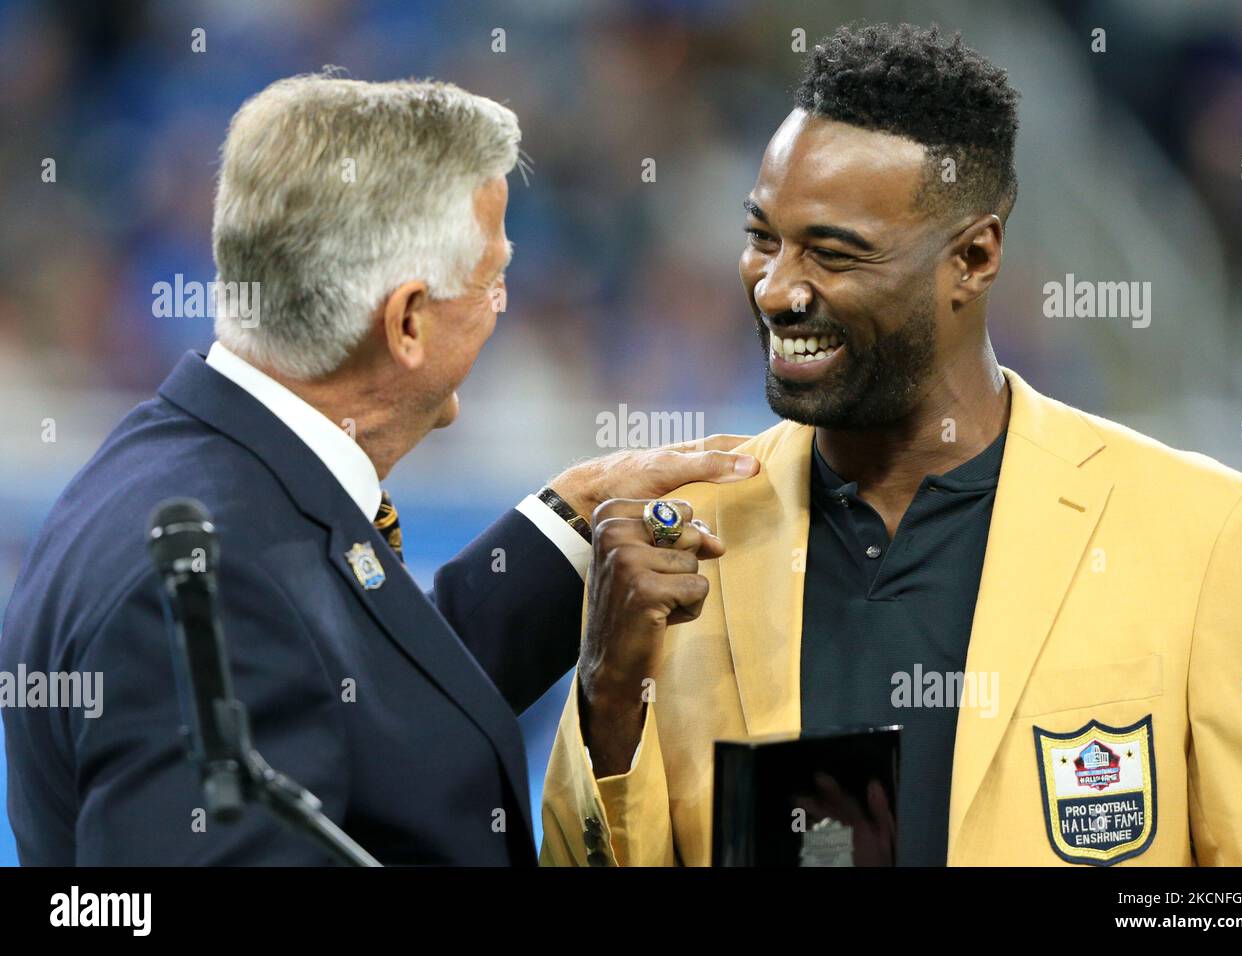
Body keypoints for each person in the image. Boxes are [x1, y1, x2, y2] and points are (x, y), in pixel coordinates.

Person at [541, 23, 1242, 866]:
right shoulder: (676, 548)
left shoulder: (1206, 538)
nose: (777, 289)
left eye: (833, 253)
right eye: (763, 237)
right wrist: (609, 696)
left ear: (973, 258)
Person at [0, 75, 758, 865]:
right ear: (406, 322)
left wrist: (567, 521)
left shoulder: (203, 471)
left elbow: (363, 712)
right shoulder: (209, 583)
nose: (505, 304)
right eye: (493, 278)